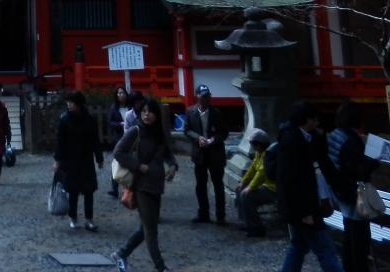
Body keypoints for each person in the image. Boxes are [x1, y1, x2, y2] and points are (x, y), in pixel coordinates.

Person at [111, 98, 178, 272]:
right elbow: (118, 152)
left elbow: (168, 154)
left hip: (157, 185)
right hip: (141, 186)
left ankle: (121, 254)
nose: (147, 115)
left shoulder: (159, 134)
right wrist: (138, 165)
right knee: (151, 230)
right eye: (144, 112)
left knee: (146, 227)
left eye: (150, 112)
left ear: (156, 114)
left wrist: (172, 166)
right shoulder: (135, 131)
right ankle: (161, 267)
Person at [276, 101, 343, 272]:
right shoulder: (294, 141)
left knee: (299, 246)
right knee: (325, 249)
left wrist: (319, 137)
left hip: (300, 206)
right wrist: (305, 212)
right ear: (307, 120)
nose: (317, 123)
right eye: (315, 119)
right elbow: (291, 180)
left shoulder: (297, 137)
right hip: (304, 207)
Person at [328, 101, 376, 272]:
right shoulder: (351, 140)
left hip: (339, 191)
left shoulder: (334, 135)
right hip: (353, 193)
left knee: (349, 235)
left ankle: (348, 267)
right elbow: (357, 170)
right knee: (359, 239)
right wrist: (374, 163)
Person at [55, 90, 103, 230]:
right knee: (73, 190)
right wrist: (57, 160)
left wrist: (99, 157)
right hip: (70, 159)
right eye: (68, 102)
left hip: (86, 158)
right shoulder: (64, 120)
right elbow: (60, 142)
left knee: (89, 190)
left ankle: (89, 218)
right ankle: (73, 217)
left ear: (79, 104)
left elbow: (95, 140)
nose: (69, 105)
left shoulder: (89, 119)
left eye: (71, 102)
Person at [184, 83, 227, 225]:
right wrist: (198, 138)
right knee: (201, 185)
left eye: (207, 97)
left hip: (215, 152)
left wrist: (214, 139)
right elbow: (187, 130)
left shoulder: (217, 113)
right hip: (200, 153)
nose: (205, 99)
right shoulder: (190, 112)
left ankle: (220, 215)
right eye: (202, 97)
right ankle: (203, 213)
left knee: (218, 185)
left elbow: (224, 133)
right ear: (197, 97)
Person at [236, 128, 276, 237]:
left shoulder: (268, 155)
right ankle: (246, 222)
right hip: (264, 185)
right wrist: (243, 182)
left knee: (247, 196)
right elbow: (252, 169)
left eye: (252, 144)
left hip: (272, 188)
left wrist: (250, 187)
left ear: (258, 145)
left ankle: (256, 228)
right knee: (239, 189)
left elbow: (261, 173)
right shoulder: (259, 153)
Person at [106, 84, 128, 197]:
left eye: (123, 92)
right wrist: (120, 124)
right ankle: (114, 188)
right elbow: (110, 122)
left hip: (131, 136)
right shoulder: (113, 108)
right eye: (119, 93)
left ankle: (129, 188)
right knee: (117, 162)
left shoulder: (130, 107)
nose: (121, 95)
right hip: (119, 137)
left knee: (130, 161)